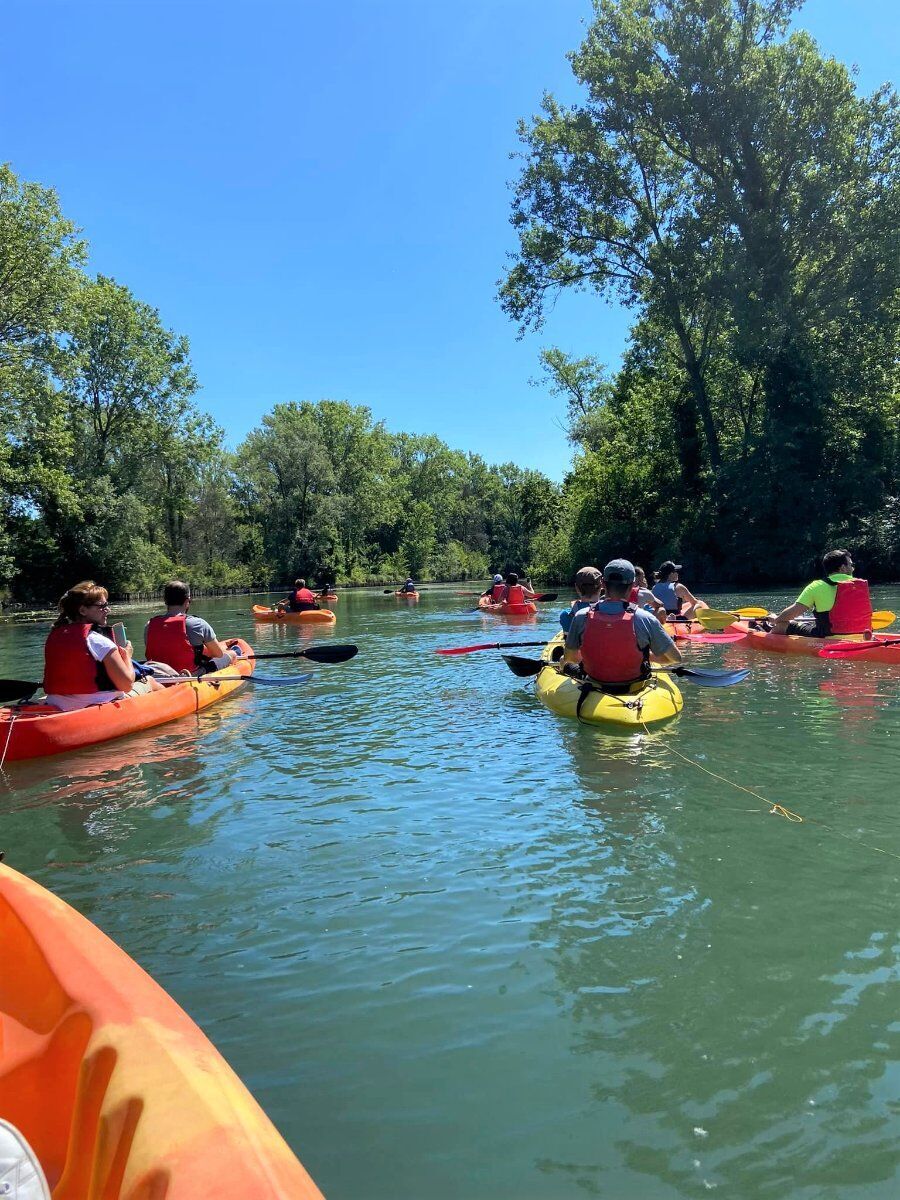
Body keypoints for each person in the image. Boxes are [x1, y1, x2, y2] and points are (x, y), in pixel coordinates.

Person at [43, 581, 163, 712]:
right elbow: (126, 684)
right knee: (150, 681)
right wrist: (127, 656)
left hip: (57, 705)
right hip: (93, 707)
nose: (108, 609)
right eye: (102, 606)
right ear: (83, 610)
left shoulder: (55, 637)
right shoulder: (100, 642)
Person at [563, 559, 682, 690]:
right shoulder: (645, 618)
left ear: (603, 584)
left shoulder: (581, 616)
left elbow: (570, 657)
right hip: (634, 684)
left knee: (564, 662)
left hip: (594, 682)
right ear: (632, 586)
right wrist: (647, 657)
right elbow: (675, 658)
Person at [769, 549, 872, 637]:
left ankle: (766, 639)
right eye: (851, 565)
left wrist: (776, 619)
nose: (853, 568)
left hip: (828, 637)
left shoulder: (816, 586)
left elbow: (794, 612)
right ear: (842, 568)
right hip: (862, 636)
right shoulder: (860, 586)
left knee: (782, 625)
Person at [145, 581, 241, 674]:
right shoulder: (198, 624)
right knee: (231, 654)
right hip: (189, 674)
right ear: (187, 601)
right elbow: (218, 654)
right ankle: (236, 652)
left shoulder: (149, 625)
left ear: (165, 601)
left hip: (159, 674)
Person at [559, 566, 603, 634]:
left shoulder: (565, 615)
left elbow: (567, 639)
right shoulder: (609, 612)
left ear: (576, 587)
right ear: (602, 586)